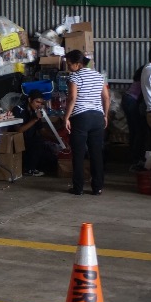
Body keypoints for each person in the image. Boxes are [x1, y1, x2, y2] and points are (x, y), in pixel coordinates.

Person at [63, 51, 110, 195]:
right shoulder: (98, 76)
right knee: (96, 153)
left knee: (78, 154)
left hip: (81, 117)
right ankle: (97, 187)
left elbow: (72, 98)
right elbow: (106, 98)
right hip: (97, 117)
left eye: (70, 64)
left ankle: (78, 188)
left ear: (78, 64)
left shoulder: (75, 76)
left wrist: (66, 117)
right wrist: (105, 115)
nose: (68, 67)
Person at [12, 91, 58, 176]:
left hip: (31, 140)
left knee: (50, 155)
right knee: (37, 142)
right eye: (37, 102)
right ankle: (29, 169)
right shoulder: (18, 109)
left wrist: (57, 140)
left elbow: (42, 130)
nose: (39, 105)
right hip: (19, 141)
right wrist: (35, 119)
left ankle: (35, 167)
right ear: (30, 100)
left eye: (41, 103)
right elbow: (19, 130)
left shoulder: (36, 111)